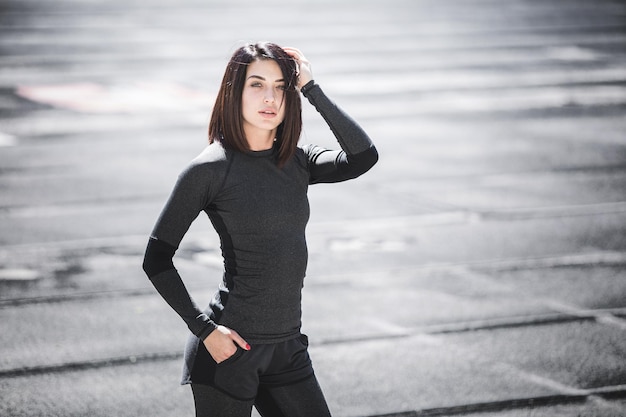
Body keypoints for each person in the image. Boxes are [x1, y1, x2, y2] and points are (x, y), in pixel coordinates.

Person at [142, 42, 378, 417]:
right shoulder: (209, 169)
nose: (270, 97)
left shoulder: (299, 160)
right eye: (256, 84)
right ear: (234, 92)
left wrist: (311, 88)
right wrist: (206, 331)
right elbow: (156, 260)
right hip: (229, 351)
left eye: (281, 86)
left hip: (288, 351)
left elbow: (364, 157)